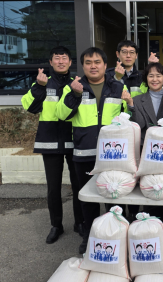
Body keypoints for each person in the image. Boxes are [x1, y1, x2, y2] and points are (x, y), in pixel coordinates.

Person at [56, 47, 132, 255]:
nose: (93, 66)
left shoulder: (118, 86)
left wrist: (129, 104)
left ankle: (116, 236)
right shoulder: (74, 86)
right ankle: (89, 236)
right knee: (88, 199)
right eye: (88, 62)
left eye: (97, 62)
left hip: (113, 156)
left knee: (113, 197)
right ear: (83, 66)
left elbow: (129, 117)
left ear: (105, 65)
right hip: (84, 153)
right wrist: (74, 94)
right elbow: (62, 114)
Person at [21, 46, 83, 245]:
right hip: (49, 141)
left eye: (64, 58)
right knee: (53, 188)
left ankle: (80, 222)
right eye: (57, 58)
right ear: (50, 62)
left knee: (78, 184)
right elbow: (30, 107)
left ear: (70, 62)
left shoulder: (77, 83)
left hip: (73, 139)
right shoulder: (42, 82)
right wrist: (39, 87)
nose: (61, 61)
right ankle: (56, 225)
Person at [128, 62, 163, 240]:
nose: (155, 79)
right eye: (151, 75)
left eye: (158, 75)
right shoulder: (138, 99)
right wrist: (130, 105)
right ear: (146, 78)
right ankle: (152, 234)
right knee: (152, 189)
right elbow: (139, 125)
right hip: (148, 152)